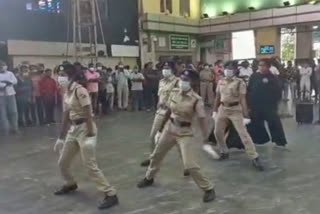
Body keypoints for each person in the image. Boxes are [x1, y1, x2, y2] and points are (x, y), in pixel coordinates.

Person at [137, 69, 216, 203]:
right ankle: (149, 178)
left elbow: (202, 119)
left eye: (186, 80)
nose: (183, 82)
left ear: (193, 83)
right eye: (182, 79)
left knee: (189, 165)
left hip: (185, 133)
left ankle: (208, 189)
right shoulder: (174, 93)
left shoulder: (197, 100)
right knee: (156, 155)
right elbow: (168, 111)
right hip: (169, 129)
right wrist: (161, 128)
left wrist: (206, 137)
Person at [53, 63, 119, 210]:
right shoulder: (66, 92)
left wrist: (90, 134)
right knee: (62, 162)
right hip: (73, 129)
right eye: (59, 75)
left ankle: (111, 194)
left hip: (85, 128)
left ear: (70, 76)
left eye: (62, 75)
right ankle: (70, 183)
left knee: (89, 165)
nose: (59, 78)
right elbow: (66, 116)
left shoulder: (79, 90)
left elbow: (89, 113)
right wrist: (61, 137)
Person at [212, 61, 263, 171]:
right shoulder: (220, 81)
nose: (228, 70)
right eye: (226, 68)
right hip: (222, 109)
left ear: (235, 70)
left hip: (236, 110)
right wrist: (214, 110)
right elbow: (217, 96)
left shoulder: (240, 83)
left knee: (243, 134)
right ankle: (224, 151)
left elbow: (243, 99)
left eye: (230, 68)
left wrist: (246, 115)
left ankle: (254, 157)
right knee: (217, 132)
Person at [248, 59, 287, 147]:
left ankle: (279, 141)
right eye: (260, 65)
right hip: (256, 105)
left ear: (268, 67)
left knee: (274, 123)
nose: (261, 67)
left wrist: (274, 104)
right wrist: (249, 104)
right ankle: (259, 140)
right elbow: (249, 90)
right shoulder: (254, 76)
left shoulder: (272, 78)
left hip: (269, 106)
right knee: (255, 123)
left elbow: (277, 92)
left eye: (263, 65)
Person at [0, 61, 19, 135]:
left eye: (3, 65)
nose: (2, 66)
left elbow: (15, 81)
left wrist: (5, 82)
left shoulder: (10, 73)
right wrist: (6, 83)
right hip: (1, 96)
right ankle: (6, 128)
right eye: (1, 65)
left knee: (13, 112)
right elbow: (1, 85)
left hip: (11, 94)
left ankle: (15, 128)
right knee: (3, 113)